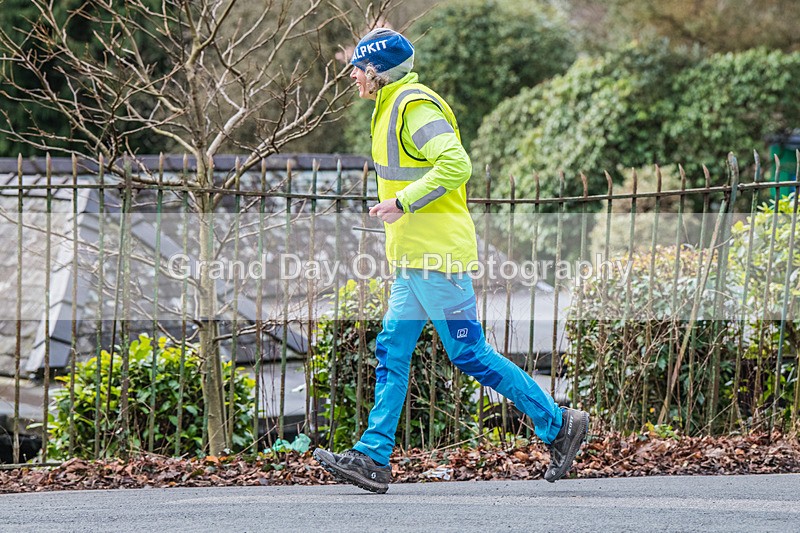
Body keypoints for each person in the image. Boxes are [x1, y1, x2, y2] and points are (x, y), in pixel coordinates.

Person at [313, 28, 589, 494]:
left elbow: (456, 164)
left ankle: (559, 424)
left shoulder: (413, 106)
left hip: (436, 259)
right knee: (392, 352)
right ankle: (373, 457)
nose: (354, 77)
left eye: (358, 69)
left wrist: (404, 202)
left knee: (469, 355)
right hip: (413, 261)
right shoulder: (390, 107)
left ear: (376, 73)